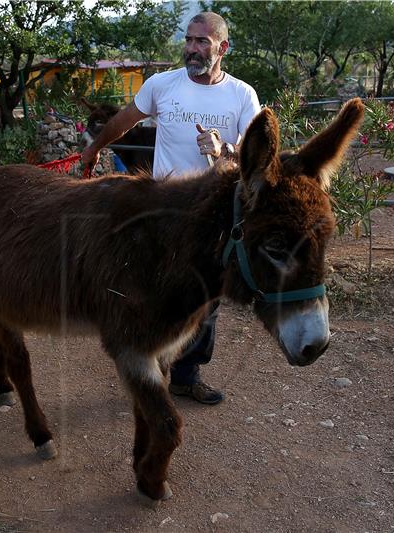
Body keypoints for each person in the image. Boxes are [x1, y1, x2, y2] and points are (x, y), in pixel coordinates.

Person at [81, 11, 261, 405]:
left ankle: (185, 373)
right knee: (152, 287)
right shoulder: (162, 85)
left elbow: (253, 146)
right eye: (189, 40)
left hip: (212, 211)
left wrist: (225, 149)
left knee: (206, 298)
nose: (192, 49)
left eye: (202, 42)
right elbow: (125, 120)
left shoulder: (242, 95)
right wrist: (95, 147)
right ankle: (149, 364)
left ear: (222, 48)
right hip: (161, 208)